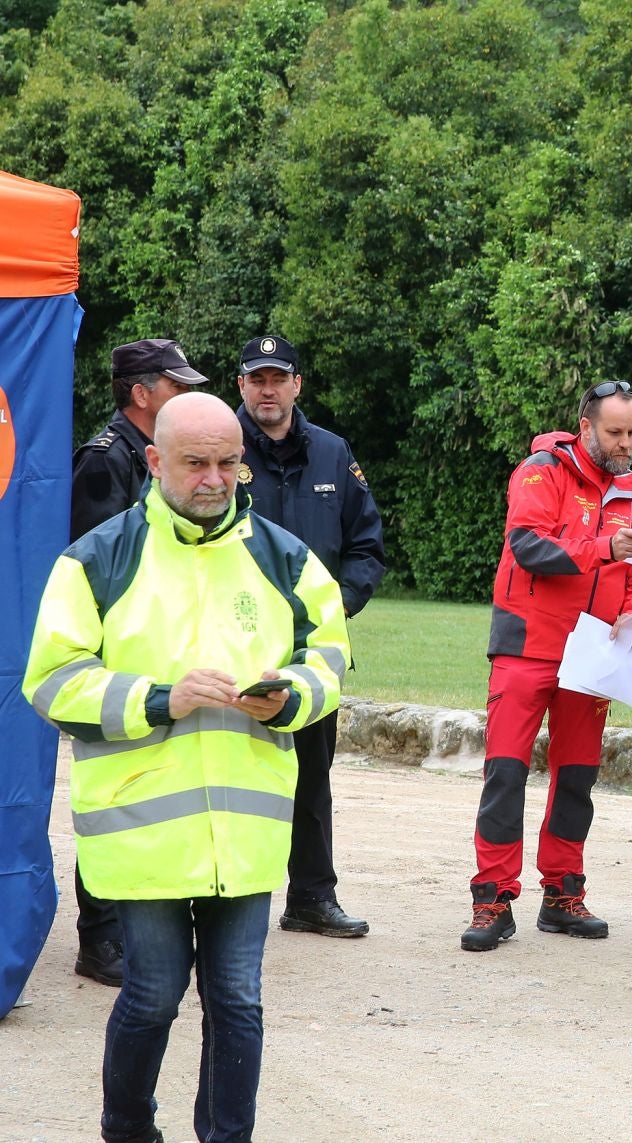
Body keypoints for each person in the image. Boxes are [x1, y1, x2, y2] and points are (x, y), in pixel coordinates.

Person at [24, 391, 349, 1142]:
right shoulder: (97, 558)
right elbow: (51, 679)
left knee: (238, 998)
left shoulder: (283, 555)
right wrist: (161, 698)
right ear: (153, 461)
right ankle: (129, 1129)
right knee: (152, 994)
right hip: (144, 831)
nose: (213, 479)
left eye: (228, 463)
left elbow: (329, 658)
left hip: (247, 831)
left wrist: (291, 695)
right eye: (195, 462)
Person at [462, 381, 632, 951]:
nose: (625, 444)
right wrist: (603, 550)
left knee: (577, 778)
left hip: (594, 657)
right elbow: (530, 548)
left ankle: (562, 892)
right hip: (527, 646)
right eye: (615, 433)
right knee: (505, 775)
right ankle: (492, 899)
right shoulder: (540, 472)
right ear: (586, 425)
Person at [64, 339, 209, 987]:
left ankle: (142, 924)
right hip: (116, 659)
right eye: (176, 384)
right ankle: (99, 939)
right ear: (142, 393)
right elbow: (103, 569)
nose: (188, 394)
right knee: (112, 798)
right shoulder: (105, 460)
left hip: (163, 651)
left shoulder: (164, 459)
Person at [233, 335, 387, 939]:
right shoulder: (217, 447)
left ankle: (310, 897)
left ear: (298, 383)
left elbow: (365, 548)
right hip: (232, 647)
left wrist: (330, 615)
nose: (267, 390)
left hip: (310, 654)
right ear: (241, 385)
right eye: (256, 379)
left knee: (311, 774)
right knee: (229, 773)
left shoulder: (332, 453)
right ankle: (225, 901)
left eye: (278, 378)